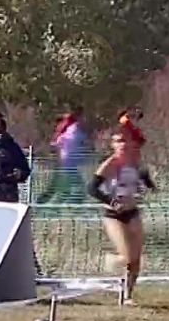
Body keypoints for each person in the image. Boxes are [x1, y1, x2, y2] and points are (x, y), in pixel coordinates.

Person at [88, 129, 156, 305]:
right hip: (114, 215)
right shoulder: (110, 164)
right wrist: (111, 201)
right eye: (118, 141)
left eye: (125, 141)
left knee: (136, 259)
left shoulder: (136, 163)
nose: (123, 145)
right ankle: (109, 261)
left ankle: (128, 295)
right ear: (113, 145)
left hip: (132, 212)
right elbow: (92, 189)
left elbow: (145, 181)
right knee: (126, 256)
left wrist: (148, 188)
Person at [39, 106, 88, 204]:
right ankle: (47, 205)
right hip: (67, 163)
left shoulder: (67, 128)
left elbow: (58, 142)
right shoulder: (73, 128)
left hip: (65, 162)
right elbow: (78, 139)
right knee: (76, 188)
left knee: (59, 187)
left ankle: (42, 204)